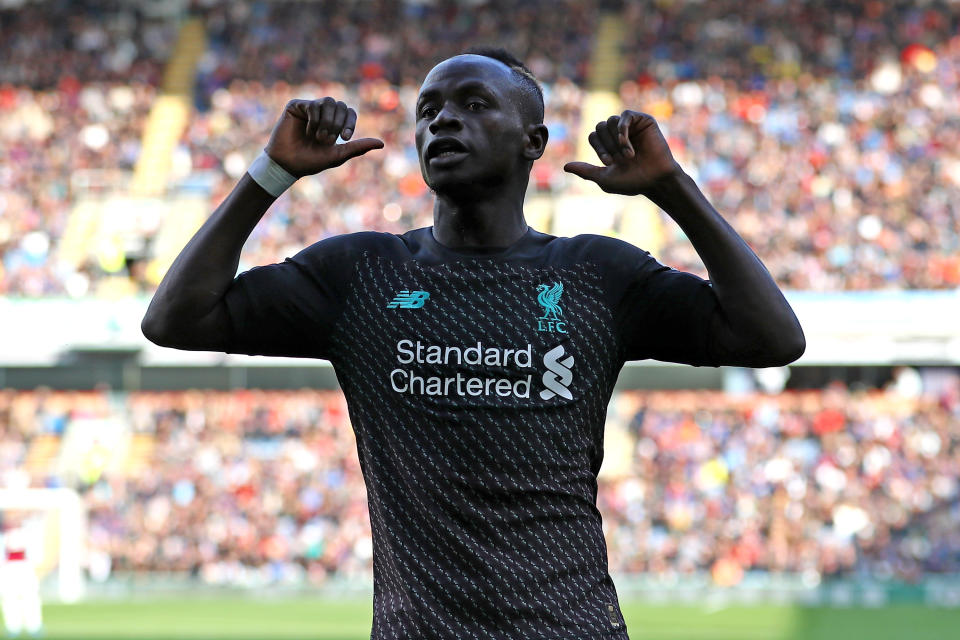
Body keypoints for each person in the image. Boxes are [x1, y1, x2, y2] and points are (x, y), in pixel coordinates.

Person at [143, 48, 804, 639]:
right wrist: (268, 175)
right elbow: (175, 320)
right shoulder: (359, 275)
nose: (443, 120)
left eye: (474, 104)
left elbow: (771, 338)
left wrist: (673, 190)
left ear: (533, 141)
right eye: (428, 109)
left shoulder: (596, 275)